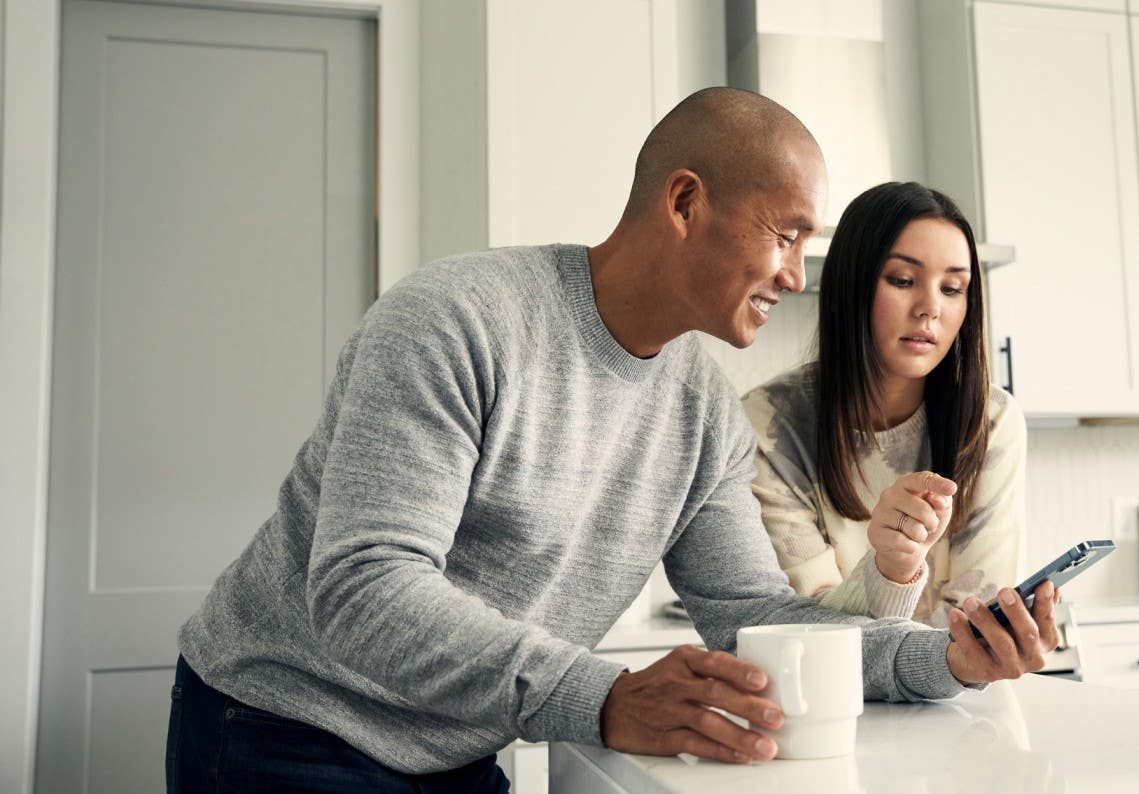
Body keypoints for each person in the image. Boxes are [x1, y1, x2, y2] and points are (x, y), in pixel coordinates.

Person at [166, 90, 1058, 794]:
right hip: (285, 728)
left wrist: (943, 660)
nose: (795, 275)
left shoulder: (703, 410)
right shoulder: (455, 320)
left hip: (460, 751)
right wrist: (603, 695)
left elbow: (754, 616)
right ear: (685, 202)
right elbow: (365, 586)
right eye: (785, 235)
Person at [743, 182, 1029, 627]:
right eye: (902, 280)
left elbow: (975, 621)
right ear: (850, 286)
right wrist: (889, 572)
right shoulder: (768, 426)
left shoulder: (991, 421)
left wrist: (1001, 638)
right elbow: (811, 628)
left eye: (952, 288)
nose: (930, 308)